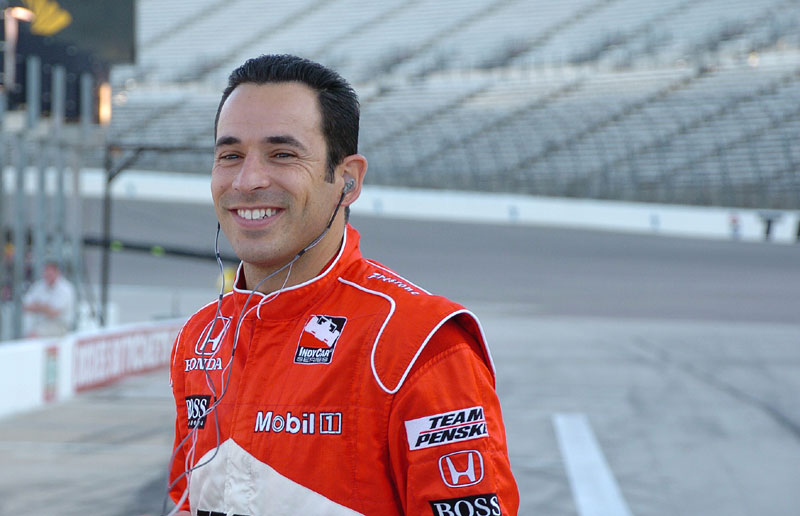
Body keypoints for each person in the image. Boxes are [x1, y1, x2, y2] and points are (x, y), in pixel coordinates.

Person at [167, 54, 519, 516]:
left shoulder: (419, 341)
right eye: (229, 155)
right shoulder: (199, 338)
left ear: (348, 181)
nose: (247, 180)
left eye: (283, 155)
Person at [22, 260, 75, 338]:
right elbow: (25, 306)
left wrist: (37, 306)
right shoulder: (39, 286)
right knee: (27, 332)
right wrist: (44, 307)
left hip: (59, 325)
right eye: (46, 272)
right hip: (40, 323)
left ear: (57, 272)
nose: (47, 275)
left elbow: (53, 312)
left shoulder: (65, 288)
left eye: (50, 273)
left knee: (33, 335)